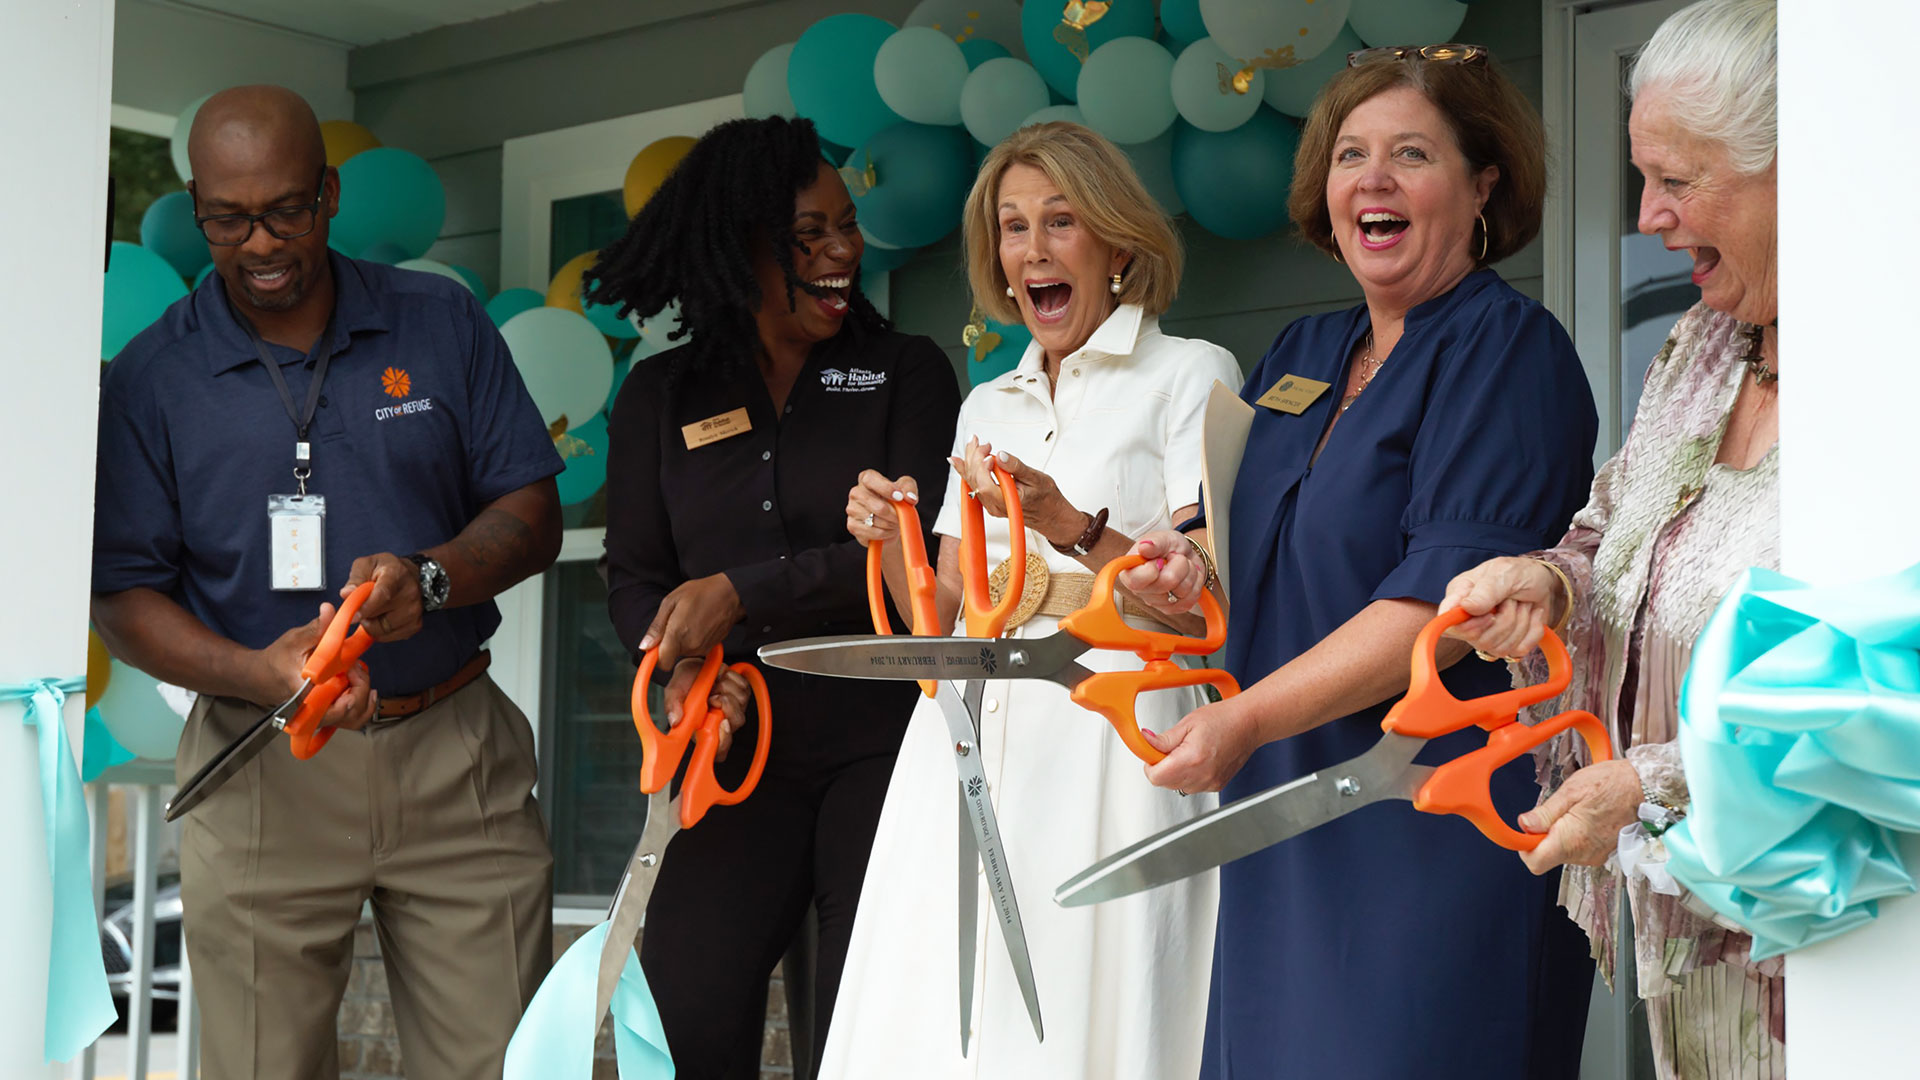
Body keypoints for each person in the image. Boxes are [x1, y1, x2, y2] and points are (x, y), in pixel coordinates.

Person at [1123, 46, 1600, 1078]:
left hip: (1429, 823)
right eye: (1350, 155)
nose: (1371, 180)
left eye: (1411, 155)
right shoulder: (1297, 356)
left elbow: (1439, 603)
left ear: (1483, 188)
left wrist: (1242, 718)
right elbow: (1234, 563)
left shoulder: (1509, 352)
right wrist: (1173, 575)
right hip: (1280, 823)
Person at [90, 86, 563, 1080]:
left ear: (331, 194)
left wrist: (429, 579)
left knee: (503, 1065)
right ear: (196, 207)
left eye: (285, 211)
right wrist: (257, 673)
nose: (258, 243)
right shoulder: (149, 379)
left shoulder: (438, 320)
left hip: (452, 749)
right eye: (227, 217)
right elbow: (123, 597)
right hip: (262, 756)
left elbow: (532, 514)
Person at [825, 122, 1241, 1079]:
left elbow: (1205, 601)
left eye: (1061, 221)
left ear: (1118, 243)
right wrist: (891, 541)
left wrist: (1073, 527)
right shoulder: (988, 404)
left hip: (1114, 728)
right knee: (939, 1016)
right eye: (1014, 228)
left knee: (1094, 1005)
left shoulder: (1189, 374)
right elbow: (943, 614)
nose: (1033, 250)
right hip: (968, 730)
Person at [1440, 3, 1782, 1076]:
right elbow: (1611, 529)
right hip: (1693, 940)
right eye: (1644, 179)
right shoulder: (1702, 345)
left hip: (1834, 941)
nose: (1649, 217)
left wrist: (1649, 785)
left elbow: (1880, 690)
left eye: (1678, 180)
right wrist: (1546, 579)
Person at [590, 115, 961, 1079]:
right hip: (726, 736)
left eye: (847, 225)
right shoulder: (661, 396)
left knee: (861, 1028)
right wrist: (679, 666)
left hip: (877, 733)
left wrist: (737, 594)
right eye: (810, 236)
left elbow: (913, 551)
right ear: (740, 246)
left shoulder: (903, 373)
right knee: (691, 1016)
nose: (844, 252)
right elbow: (632, 575)